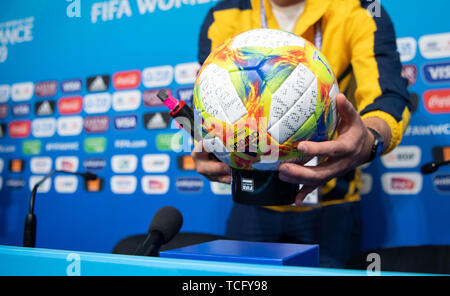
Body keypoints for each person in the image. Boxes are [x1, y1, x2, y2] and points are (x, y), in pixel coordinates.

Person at [192, 0, 411, 268]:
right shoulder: (224, 13)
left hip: (332, 202)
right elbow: (209, 96)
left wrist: (368, 140)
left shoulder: (360, 8)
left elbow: (387, 96)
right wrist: (205, 139)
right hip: (252, 201)